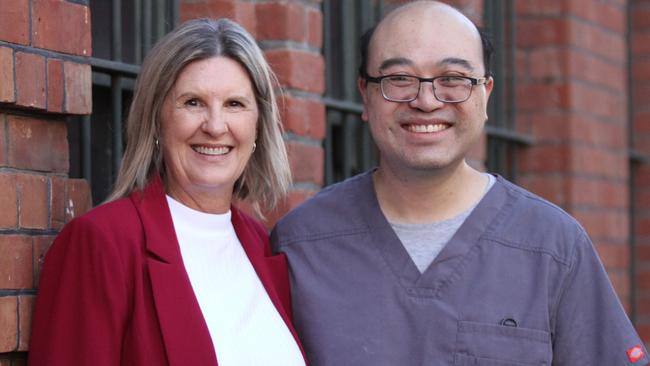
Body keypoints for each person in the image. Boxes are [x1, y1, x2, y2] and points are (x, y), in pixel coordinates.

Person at [271, 1, 648, 365]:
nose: (426, 100)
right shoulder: (299, 247)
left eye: (453, 79)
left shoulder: (552, 247)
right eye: (399, 78)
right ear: (365, 96)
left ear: (485, 95)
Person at [29, 18, 306, 366]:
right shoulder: (103, 242)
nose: (215, 126)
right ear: (156, 120)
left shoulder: (260, 244)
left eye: (235, 104)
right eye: (192, 102)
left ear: (258, 127)